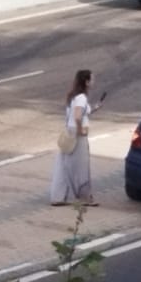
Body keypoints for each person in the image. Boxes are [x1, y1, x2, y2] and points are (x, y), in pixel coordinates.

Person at [50, 69, 98, 207]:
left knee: (64, 165)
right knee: (81, 167)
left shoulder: (73, 96)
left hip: (68, 133)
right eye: (92, 79)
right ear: (86, 82)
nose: (93, 82)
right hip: (77, 135)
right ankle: (85, 197)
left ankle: (58, 196)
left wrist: (94, 108)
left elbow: (78, 113)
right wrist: (80, 130)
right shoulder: (82, 98)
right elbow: (77, 116)